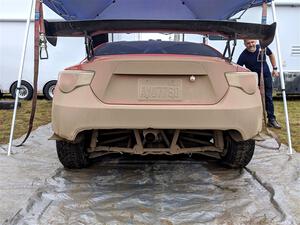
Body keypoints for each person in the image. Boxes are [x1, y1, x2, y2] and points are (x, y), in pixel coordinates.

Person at [237, 39, 281, 129]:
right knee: (255, 99)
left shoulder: (262, 48)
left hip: (266, 76)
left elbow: (271, 54)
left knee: (268, 97)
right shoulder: (243, 55)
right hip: (254, 80)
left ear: (255, 42)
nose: (250, 44)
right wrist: (248, 77)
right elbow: (238, 68)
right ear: (244, 44)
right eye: (248, 43)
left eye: (252, 42)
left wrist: (275, 68)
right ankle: (255, 120)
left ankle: (271, 120)